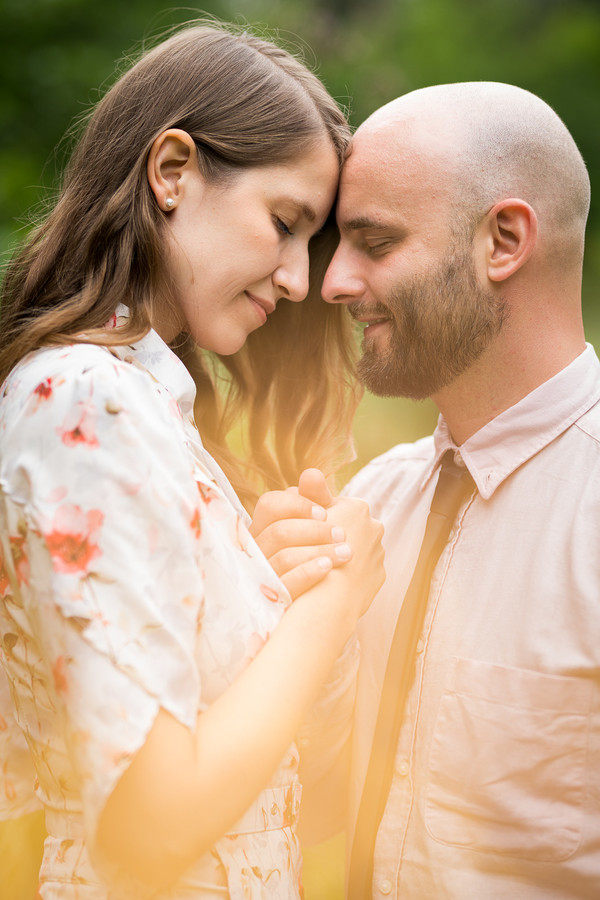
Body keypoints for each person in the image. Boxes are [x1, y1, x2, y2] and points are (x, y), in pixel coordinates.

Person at [0, 21, 385, 899]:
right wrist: (330, 609)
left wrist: (297, 588)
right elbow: (151, 826)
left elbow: (303, 808)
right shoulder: (80, 404)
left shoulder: (159, 422)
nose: (297, 280)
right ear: (172, 172)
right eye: (284, 224)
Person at [316, 81, 598, 898]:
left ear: (503, 240)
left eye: (374, 241)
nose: (333, 281)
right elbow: (321, 802)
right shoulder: (369, 502)